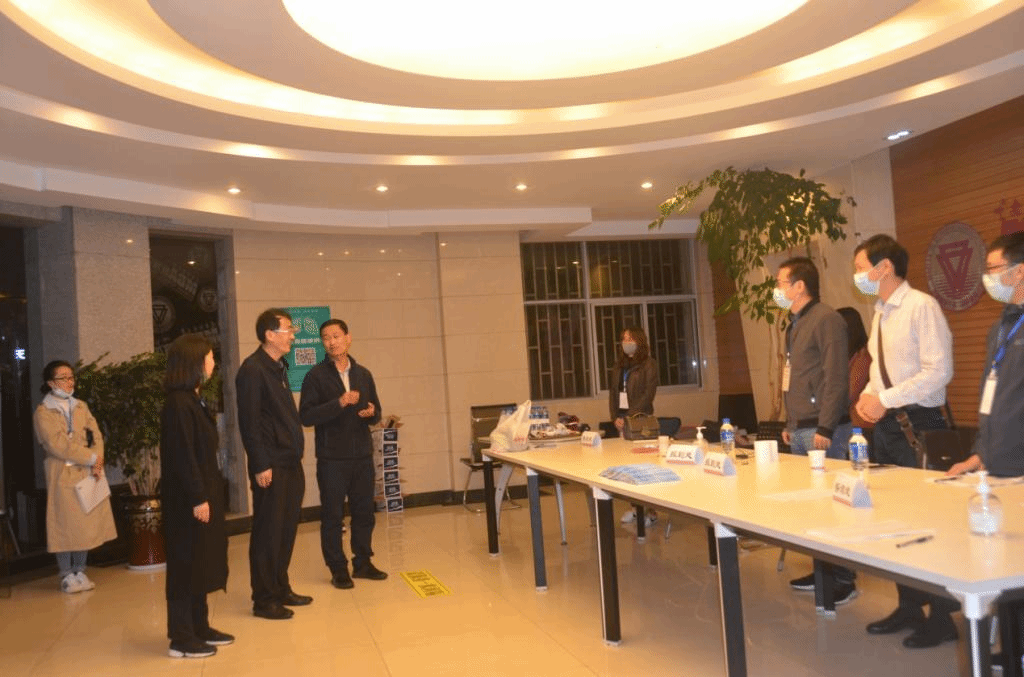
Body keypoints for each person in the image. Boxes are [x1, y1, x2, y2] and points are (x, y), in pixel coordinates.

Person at [852, 234, 958, 648]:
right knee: (895, 520)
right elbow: (880, 372)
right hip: (890, 425)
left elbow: (939, 371)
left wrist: (886, 399)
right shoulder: (880, 313)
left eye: (861, 267)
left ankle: (942, 617)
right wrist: (869, 397)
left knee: (928, 522)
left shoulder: (921, 306)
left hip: (921, 422)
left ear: (885, 268)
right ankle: (909, 606)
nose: (857, 276)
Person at [945, 232, 1024, 671]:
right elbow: (992, 400)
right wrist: (978, 454)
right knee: (1007, 570)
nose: (987, 278)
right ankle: (1011, 648)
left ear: (1019, 271)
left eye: (993, 269)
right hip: (998, 468)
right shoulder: (1002, 325)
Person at [773, 258, 857, 605]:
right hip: (801, 427)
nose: (777, 290)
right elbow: (796, 376)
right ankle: (822, 570)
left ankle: (844, 578)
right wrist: (790, 423)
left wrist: (826, 424)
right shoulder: (795, 324)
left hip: (824, 430)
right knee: (812, 508)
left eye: (780, 283)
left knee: (833, 508)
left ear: (799, 286)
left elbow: (836, 375)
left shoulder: (826, 319)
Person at [236, 308, 312, 620]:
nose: (293, 335)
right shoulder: (252, 370)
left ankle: (281, 588)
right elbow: (249, 423)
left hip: (289, 461)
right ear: (269, 335)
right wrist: (260, 464)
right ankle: (264, 599)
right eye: (288, 329)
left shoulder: (278, 367)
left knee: (286, 530)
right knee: (268, 533)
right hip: (271, 465)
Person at [299, 319, 386, 589]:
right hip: (332, 459)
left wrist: (371, 413)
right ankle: (338, 568)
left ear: (348, 338)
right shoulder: (315, 376)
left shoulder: (364, 374)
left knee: (364, 513)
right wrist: (338, 402)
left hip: (362, 456)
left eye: (336, 336)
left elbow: (377, 413)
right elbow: (306, 416)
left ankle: (363, 562)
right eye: (326, 338)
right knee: (333, 516)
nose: (331, 342)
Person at [160, 334, 232, 659]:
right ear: (195, 362)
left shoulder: (194, 398)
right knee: (185, 565)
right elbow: (182, 455)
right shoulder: (178, 403)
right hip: (187, 500)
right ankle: (181, 636)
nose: (213, 362)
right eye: (210, 357)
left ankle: (200, 627)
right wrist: (198, 497)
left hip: (204, 491)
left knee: (201, 561)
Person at [33, 360, 117, 594]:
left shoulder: (81, 406)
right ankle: (66, 574)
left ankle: (80, 570)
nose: (69, 382)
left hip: (87, 470)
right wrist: (91, 458)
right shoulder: (44, 412)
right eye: (63, 378)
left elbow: (96, 434)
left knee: (85, 523)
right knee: (64, 524)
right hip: (62, 471)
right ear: (51, 383)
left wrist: (97, 459)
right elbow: (57, 444)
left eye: (71, 377)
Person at [608, 327, 659, 526]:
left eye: (630, 338)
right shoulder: (619, 365)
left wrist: (629, 416)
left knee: (643, 468)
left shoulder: (648, 364)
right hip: (621, 420)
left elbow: (648, 394)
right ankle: (634, 508)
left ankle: (650, 512)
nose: (626, 342)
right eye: (623, 338)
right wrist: (615, 417)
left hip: (639, 420)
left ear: (639, 340)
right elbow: (613, 393)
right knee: (628, 468)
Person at [837, 306, 872, 430]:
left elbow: (847, 395)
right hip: (848, 424)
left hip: (859, 426)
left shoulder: (863, 357)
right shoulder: (848, 355)